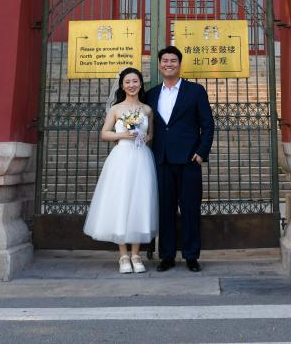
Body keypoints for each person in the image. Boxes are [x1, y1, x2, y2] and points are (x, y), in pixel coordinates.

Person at [145, 46, 214, 273]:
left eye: (173, 60)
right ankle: (167, 256)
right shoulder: (152, 94)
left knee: (190, 208)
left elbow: (207, 124)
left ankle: (191, 255)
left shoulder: (195, 91)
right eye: (164, 60)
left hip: (188, 159)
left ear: (179, 64)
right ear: (159, 65)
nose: (168, 64)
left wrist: (201, 152)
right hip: (162, 159)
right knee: (165, 210)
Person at [82, 67, 158, 274]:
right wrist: (123, 135)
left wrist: (145, 137)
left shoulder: (147, 110)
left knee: (139, 202)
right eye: (127, 82)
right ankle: (123, 255)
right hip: (121, 158)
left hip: (141, 158)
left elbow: (151, 134)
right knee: (121, 201)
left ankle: (136, 254)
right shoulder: (115, 109)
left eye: (135, 81)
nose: (132, 85)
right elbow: (104, 134)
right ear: (122, 85)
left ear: (140, 83)